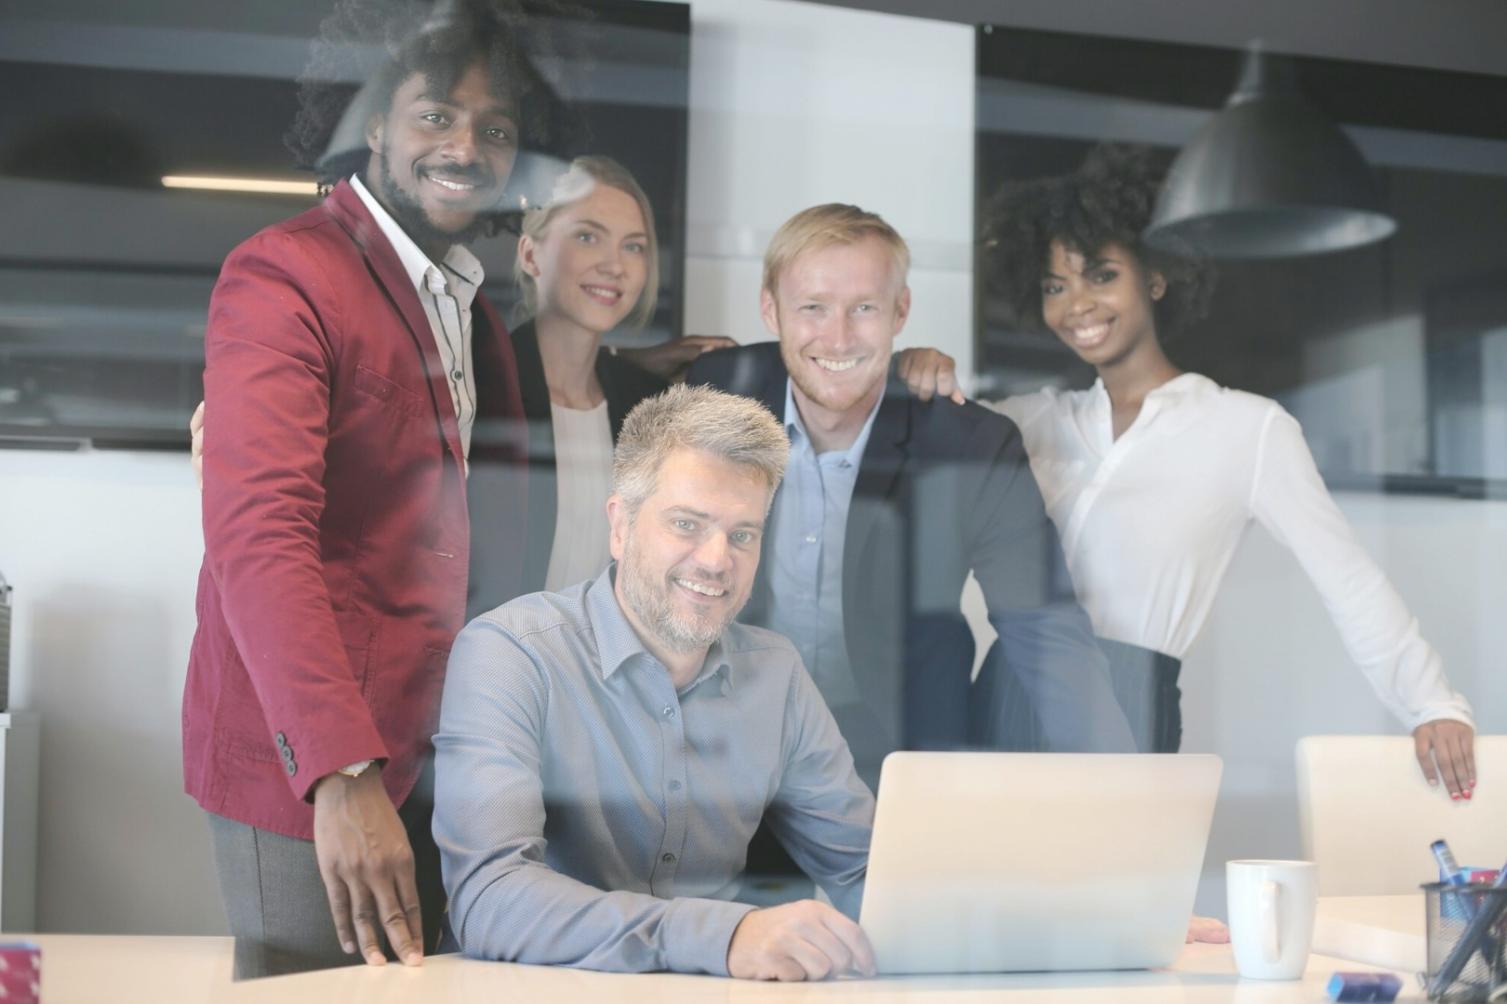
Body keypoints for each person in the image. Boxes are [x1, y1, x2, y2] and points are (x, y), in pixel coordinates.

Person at [182, 0, 541, 978]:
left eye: (496, 127)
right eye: (437, 115)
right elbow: (259, 535)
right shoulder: (286, 271)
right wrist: (343, 774)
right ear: (375, 124)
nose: (467, 145)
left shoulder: (477, 319)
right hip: (316, 772)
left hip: (446, 772)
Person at [977, 147, 1476, 795]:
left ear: (1154, 278)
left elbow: (1346, 578)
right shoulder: (1027, 421)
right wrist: (918, 367)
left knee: (1123, 895)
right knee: (978, 896)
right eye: (1054, 285)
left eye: (1100, 275)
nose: (1076, 304)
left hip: (1127, 702)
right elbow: (905, 430)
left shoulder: (1246, 429)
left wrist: (1431, 704)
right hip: (1000, 698)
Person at [435, 384, 878, 980]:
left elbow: (865, 871)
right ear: (620, 526)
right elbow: (488, 897)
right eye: (687, 524)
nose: (718, 559)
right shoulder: (511, 654)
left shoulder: (777, 676)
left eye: (742, 534)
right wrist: (724, 936)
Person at [688, 203, 1135, 781]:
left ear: (901, 310)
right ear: (770, 309)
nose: (839, 336)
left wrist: (1125, 784)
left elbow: (1046, 631)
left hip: (900, 756)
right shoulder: (715, 396)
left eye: (865, 308)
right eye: (813, 308)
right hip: (730, 747)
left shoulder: (969, 442)